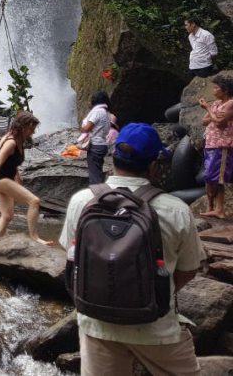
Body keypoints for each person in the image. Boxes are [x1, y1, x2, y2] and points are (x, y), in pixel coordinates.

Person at [59, 123, 204, 376]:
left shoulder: (81, 201)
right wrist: (150, 293)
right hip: (156, 328)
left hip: (96, 323)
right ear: (153, 166)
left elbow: (72, 258)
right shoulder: (176, 209)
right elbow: (188, 270)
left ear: (112, 158)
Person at [0, 111, 52, 245]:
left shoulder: (18, 140)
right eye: (32, 129)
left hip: (6, 179)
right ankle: (34, 237)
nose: (33, 132)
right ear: (23, 127)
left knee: (7, 216)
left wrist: (17, 175)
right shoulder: (11, 142)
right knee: (34, 202)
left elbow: (11, 161)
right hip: (1, 180)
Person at [199, 73, 233, 218]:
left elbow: (220, 122)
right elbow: (204, 121)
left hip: (222, 144)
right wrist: (211, 112)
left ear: (224, 90)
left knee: (217, 177)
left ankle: (219, 209)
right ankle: (213, 207)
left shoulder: (231, 103)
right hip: (211, 143)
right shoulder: (217, 104)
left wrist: (207, 108)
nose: (213, 91)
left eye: (216, 88)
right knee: (209, 177)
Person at [80, 90, 114, 185]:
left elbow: (87, 128)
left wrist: (82, 128)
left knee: (94, 176)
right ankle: (101, 193)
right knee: (98, 172)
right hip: (102, 144)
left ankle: (98, 196)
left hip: (95, 145)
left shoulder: (98, 112)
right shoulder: (107, 113)